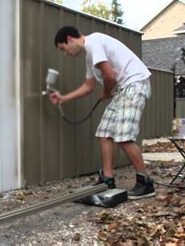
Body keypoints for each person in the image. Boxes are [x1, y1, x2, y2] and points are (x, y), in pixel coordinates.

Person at [50, 26, 154, 199]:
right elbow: (89, 86)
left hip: (135, 84)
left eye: (63, 48)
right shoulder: (90, 55)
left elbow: (109, 77)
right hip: (123, 90)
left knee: (124, 137)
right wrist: (63, 98)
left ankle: (145, 183)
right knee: (104, 133)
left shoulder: (94, 42)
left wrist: (106, 92)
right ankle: (107, 179)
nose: (65, 53)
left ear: (69, 39)